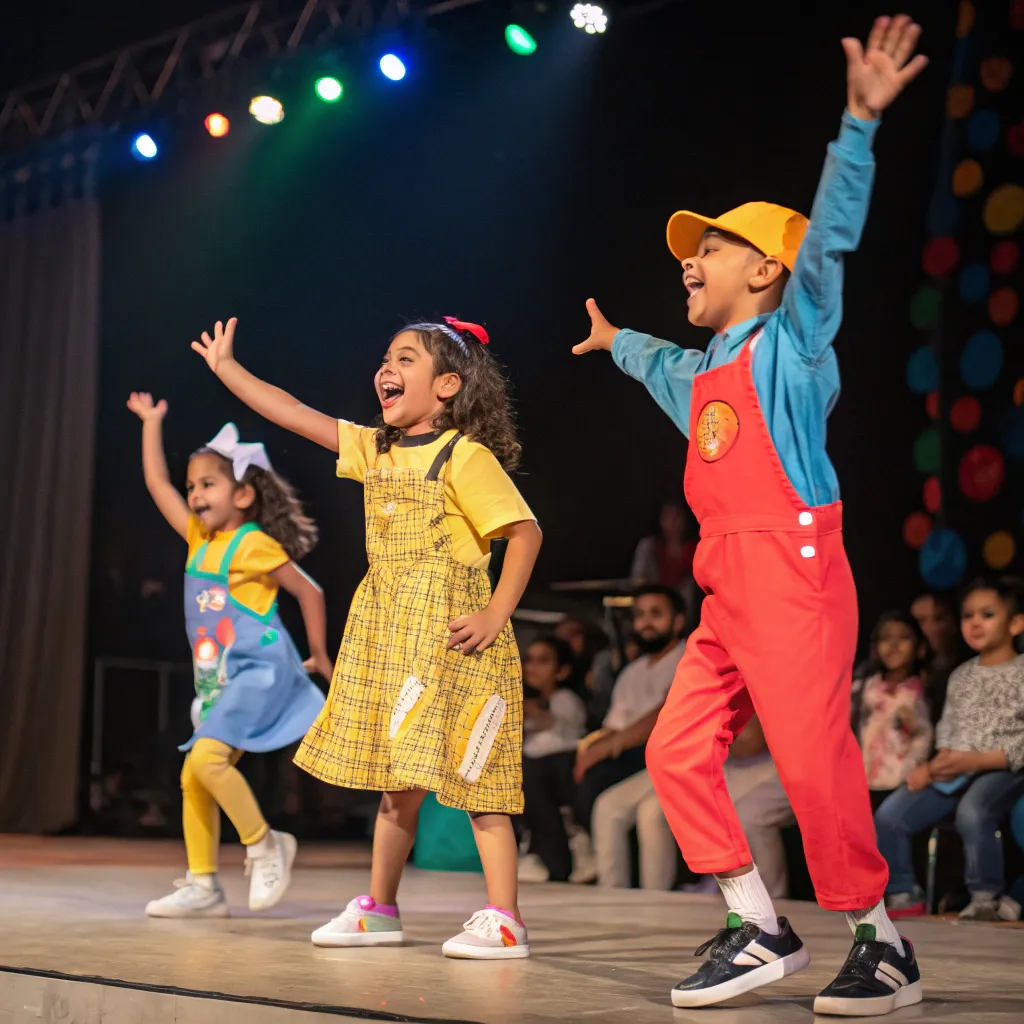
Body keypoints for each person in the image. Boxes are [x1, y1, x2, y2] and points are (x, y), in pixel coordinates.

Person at [572, 14, 928, 1016]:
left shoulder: (793, 343)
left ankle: (881, 941)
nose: (693, 255)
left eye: (715, 245)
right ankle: (755, 922)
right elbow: (662, 366)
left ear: (766, 270)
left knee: (814, 764)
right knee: (673, 751)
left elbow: (831, 249)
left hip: (794, 571)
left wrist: (855, 127)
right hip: (726, 590)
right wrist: (617, 341)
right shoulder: (704, 369)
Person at [191, 315, 542, 959]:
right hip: (391, 631)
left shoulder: (463, 455)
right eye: (386, 357)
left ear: (446, 385)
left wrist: (494, 614)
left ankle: (504, 916)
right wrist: (228, 371)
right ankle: (380, 908)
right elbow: (294, 413)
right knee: (396, 779)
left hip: (456, 633)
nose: (387, 368)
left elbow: (524, 533)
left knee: (478, 777)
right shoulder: (374, 448)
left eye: (406, 358)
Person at [126, 396, 328, 918]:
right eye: (192, 486)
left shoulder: (252, 543)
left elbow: (310, 592)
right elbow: (156, 485)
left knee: (206, 760)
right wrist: (152, 425)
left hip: (260, 671)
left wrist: (321, 655)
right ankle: (203, 885)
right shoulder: (198, 541)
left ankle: (265, 844)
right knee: (195, 774)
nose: (194, 494)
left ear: (242, 493)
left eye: (207, 484)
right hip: (219, 679)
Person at [874, 576, 1024, 922]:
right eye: (968, 615)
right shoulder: (961, 675)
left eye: (987, 614)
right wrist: (931, 767)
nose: (974, 623)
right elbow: (948, 734)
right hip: (957, 768)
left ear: (1015, 623)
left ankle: (985, 896)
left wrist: (972, 761)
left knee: (973, 810)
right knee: (891, 815)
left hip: (1002, 768)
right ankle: (903, 891)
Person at [576, 586, 687, 888]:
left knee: (651, 813)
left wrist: (609, 746)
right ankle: (613, 896)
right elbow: (614, 724)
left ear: (678, 621)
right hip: (644, 762)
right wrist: (590, 750)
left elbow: (664, 713)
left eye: (656, 614)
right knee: (607, 807)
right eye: (639, 615)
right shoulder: (633, 671)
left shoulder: (690, 657)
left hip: (684, 758)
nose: (645, 623)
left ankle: (656, 897)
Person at [518, 636, 588, 883]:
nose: (532, 667)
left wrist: (529, 709)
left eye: (543, 661)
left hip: (562, 773)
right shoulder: (533, 700)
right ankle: (540, 854)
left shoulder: (566, 699)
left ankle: (553, 858)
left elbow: (560, 728)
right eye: (529, 660)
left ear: (562, 670)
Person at [853, 611, 933, 809]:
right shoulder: (863, 688)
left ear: (920, 647)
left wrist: (910, 767)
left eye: (903, 638)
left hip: (897, 779)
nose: (894, 646)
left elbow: (923, 734)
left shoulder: (918, 694)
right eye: (886, 638)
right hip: (860, 778)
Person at [630, 499, 698, 591]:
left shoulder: (696, 548)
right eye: (668, 516)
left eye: (677, 516)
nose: (673, 522)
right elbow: (638, 579)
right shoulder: (648, 546)